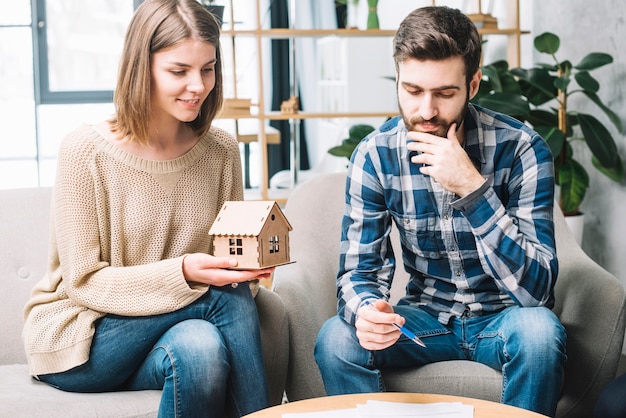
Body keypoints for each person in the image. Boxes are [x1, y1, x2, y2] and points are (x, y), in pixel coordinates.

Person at [22, 1, 274, 417]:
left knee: (201, 347)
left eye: (208, 69)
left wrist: (250, 268)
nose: (198, 85)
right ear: (142, 68)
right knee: (222, 298)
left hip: (173, 330)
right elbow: (85, 282)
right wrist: (187, 272)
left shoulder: (222, 151)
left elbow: (232, 258)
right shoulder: (85, 151)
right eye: (179, 71)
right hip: (85, 336)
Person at [314, 6, 567, 417]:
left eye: (445, 94)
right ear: (397, 79)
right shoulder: (375, 156)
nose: (427, 111)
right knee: (336, 339)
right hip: (425, 321)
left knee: (540, 334)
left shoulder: (522, 148)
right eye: (412, 91)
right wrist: (366, 310)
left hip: (505, 321)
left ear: (474, 83)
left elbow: (536, 293)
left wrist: (472, 188)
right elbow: (358, 272)